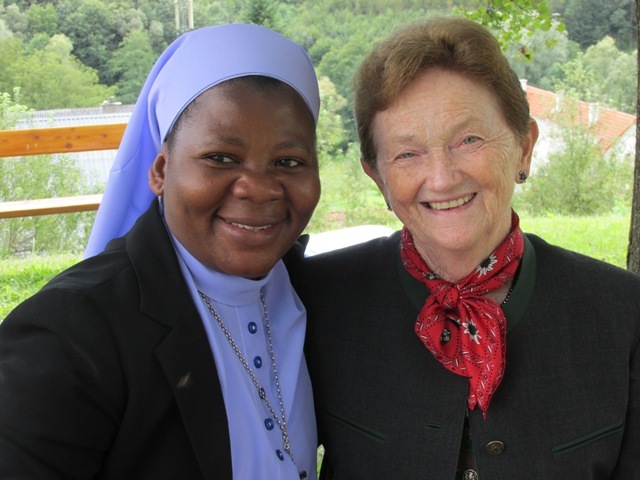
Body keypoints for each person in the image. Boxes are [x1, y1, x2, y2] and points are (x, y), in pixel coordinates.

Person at [290, 17, 640, 479]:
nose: (441, 178)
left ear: (524, 148)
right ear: (377, 178)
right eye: (407, 153)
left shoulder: (623, 312)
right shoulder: (315, 299)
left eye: (468, 140)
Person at [0, 23, 320, 480]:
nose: (259, 188)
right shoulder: (68, 334)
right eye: (221, 158)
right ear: (161, 170)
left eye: (289, 162)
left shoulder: (314, 293)